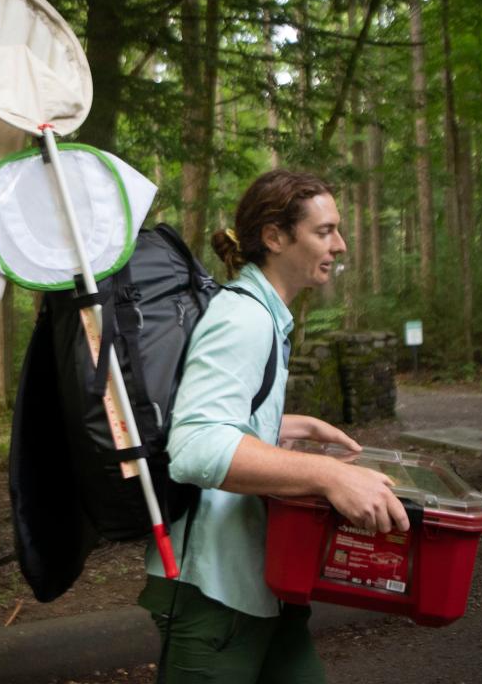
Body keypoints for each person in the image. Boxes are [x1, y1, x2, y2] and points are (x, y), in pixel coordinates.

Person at [138, 169, 410, 683]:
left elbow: (221, 414)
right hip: (214, 592)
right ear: (275, 237)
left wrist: (285, 422)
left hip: (261, 580)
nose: (341, 244)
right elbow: (195, 446)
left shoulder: (264, 313)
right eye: (324, 231)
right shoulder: (244, 318)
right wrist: (330, 476)